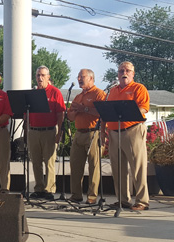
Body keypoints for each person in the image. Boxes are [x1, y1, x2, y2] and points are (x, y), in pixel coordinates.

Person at [102, 61, 150, 211]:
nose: (124, 73)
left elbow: (143, 108)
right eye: (121, 70)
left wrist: (130, 110)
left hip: (132, 130)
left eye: (127, 70)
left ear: (133, 74)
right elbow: (106, 112)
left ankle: (142, 201)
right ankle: (123, 200)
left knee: (137, 167)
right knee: (118, 168)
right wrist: (103, 130)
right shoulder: (112, 91)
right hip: (114, 132)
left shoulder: (138, 88)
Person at [66, 69, 106, 204]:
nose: (79, 79)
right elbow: (70, 117)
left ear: (91, 78)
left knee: (94, 166)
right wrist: (74, 110)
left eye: (81, 77)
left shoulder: (99, 94)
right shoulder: (78, 97)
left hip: (93, 132)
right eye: (78, 77)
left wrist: (85, 109)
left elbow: (102, 113)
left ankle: (92, 196)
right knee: (75, 165)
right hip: (79, 133)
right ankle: (76, 195)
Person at [28, 65, 66, 200]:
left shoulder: (55, 92)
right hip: (33, 131)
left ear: (48, 77)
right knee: (35, 161)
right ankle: (38, 188)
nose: (40, 78)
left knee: (49, 161)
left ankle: (49, 189)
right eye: (38, 75)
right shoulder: (32, 93)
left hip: (49, 131)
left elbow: (61, 114)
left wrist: (59, 133)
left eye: (43, 75)